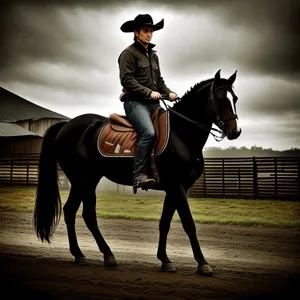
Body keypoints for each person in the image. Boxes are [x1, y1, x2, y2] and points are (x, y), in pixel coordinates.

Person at [118, 14, 177, 190]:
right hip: (135, 103)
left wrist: (169, 92)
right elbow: (126, 79)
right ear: (136, 32)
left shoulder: (153, 56)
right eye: (145, 31)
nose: (149, 34)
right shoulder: (128, 53)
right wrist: (149, 92)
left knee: (170, 130)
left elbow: (159, 82)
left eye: (151, 31)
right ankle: (138, 175)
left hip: (154, 104)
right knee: (149, 133)